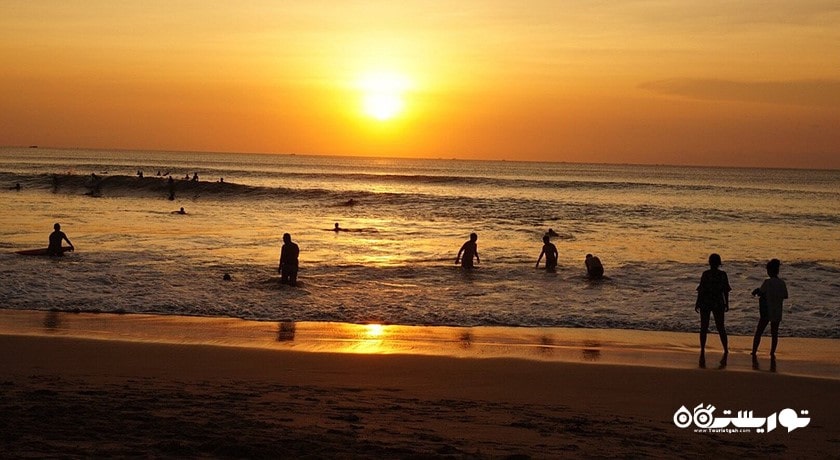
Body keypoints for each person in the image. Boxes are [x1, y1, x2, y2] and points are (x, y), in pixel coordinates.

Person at [695, 253, 730, 368]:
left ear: (710, 262)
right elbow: (726, 291)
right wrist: (726, 303)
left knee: (704, 327)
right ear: (719, 263)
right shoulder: (722, 275)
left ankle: (702, 349)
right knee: (721, 327)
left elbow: (701, 289)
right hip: (718, 302)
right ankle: (725, 349)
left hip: (705, 301)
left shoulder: (706, 274)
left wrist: (697, 302)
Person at [751, 259, 788, 359]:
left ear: (769, 271)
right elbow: (785, 295)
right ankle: (772, 352)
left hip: (766, 310)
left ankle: (754, 351)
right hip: (777, 310)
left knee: (759, 331)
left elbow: (761, 292)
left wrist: (756, 291)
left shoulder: (767, 282)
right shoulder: (782, 283)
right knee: (774, 333)